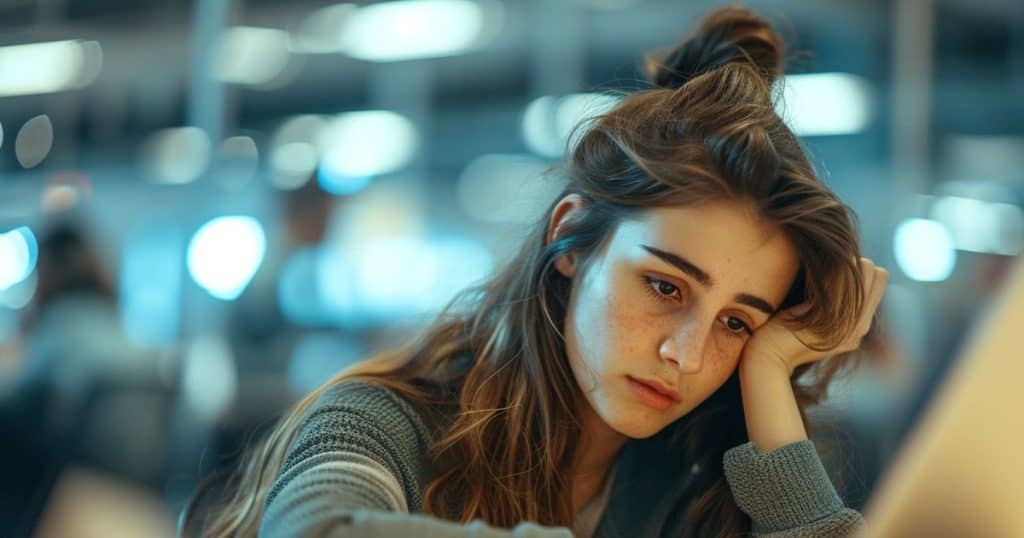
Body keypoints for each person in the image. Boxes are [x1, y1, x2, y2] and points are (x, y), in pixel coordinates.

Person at [185, 6, 888, 537]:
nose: (686, 353)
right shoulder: (393, 421)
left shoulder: (692, 476)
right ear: (572, 242)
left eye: (736, 321)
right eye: (665, 286)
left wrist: (767, 376)